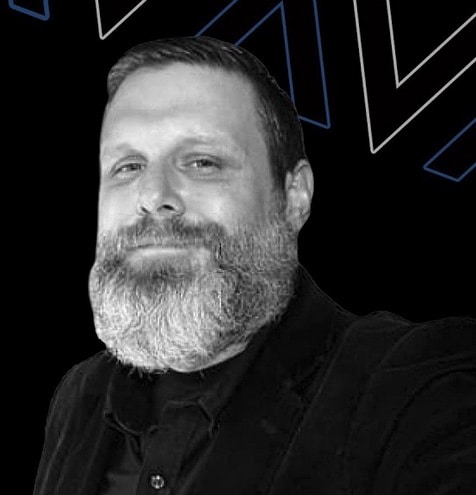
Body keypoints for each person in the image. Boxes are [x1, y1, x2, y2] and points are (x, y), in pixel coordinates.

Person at [34, 36, 475, 495]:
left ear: (293, 197)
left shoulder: (415, 389)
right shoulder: (79, 397)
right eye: (127, 166)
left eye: (202, 162)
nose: (153, 196)